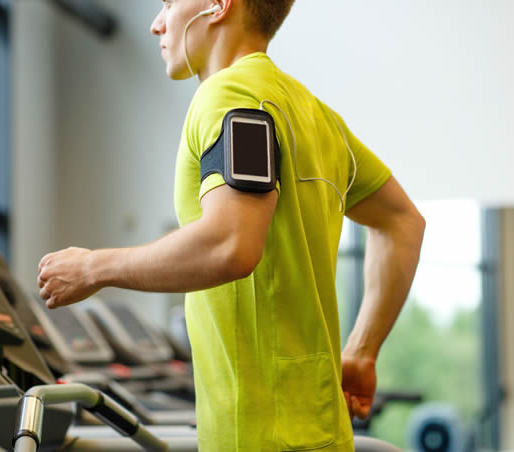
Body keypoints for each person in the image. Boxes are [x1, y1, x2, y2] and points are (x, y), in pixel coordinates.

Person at [37, 0, 426, 450]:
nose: (157, 24)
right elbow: (403, 222)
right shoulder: (317, 116)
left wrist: (93, 269)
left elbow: (231, 245)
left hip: (259, 436)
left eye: (168, 3)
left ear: (219, 5)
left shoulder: (229, 97)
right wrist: (361, 350)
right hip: (321, 433)